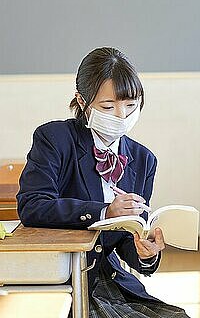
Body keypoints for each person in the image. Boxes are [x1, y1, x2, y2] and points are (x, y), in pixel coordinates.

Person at [17, 47, 189, 318]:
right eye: (108, 107)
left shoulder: (143, 159)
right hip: (60, 277)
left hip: (109, 280)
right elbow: (32, 206)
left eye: (131, 105)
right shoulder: (55, 139)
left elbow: (127, 242)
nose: (121, 115)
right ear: (82, 101)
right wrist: (104, 211)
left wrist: (146, 252)